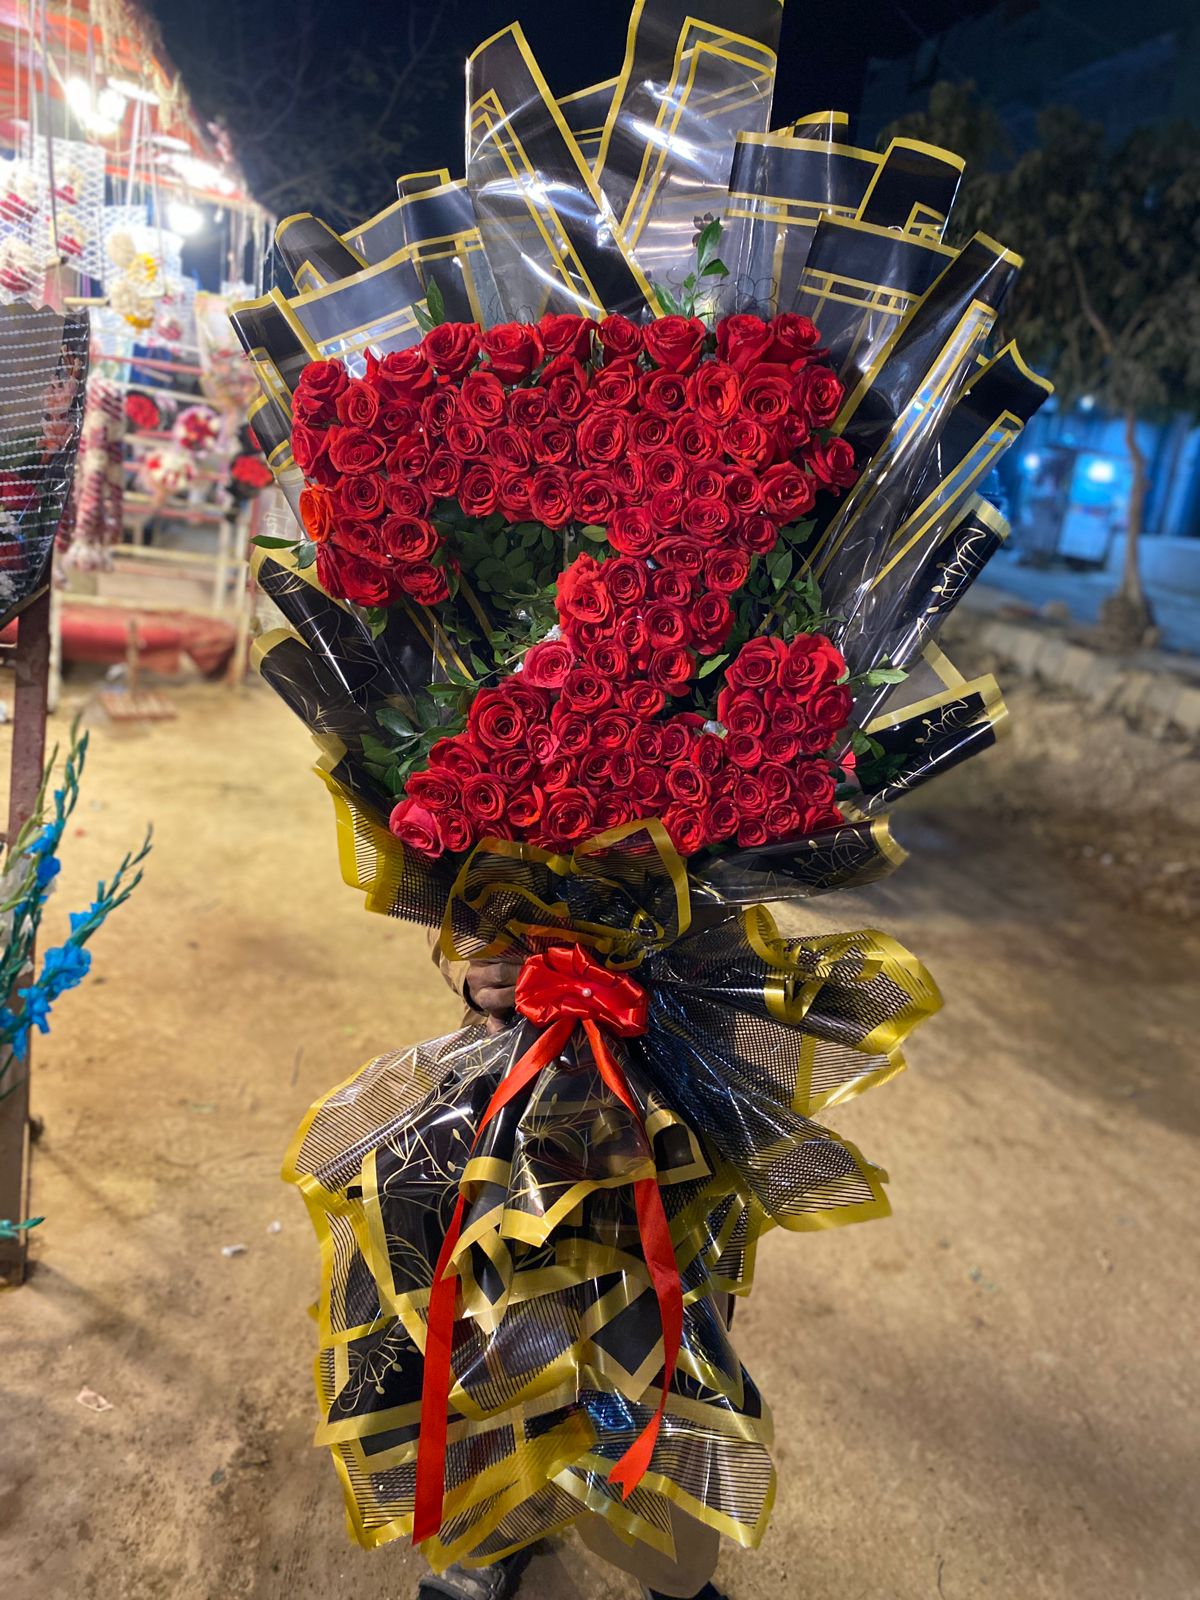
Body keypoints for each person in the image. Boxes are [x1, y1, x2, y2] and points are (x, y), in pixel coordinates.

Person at [418, 941, 728, 1600]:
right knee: (499, 1320)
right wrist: (477, 974)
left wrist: (682, 981)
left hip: (669, 1084)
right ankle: (495, 1526)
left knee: (658, 1343)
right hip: (511, 1079)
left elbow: (741, 926)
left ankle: (670, 1554)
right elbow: (448, 909)